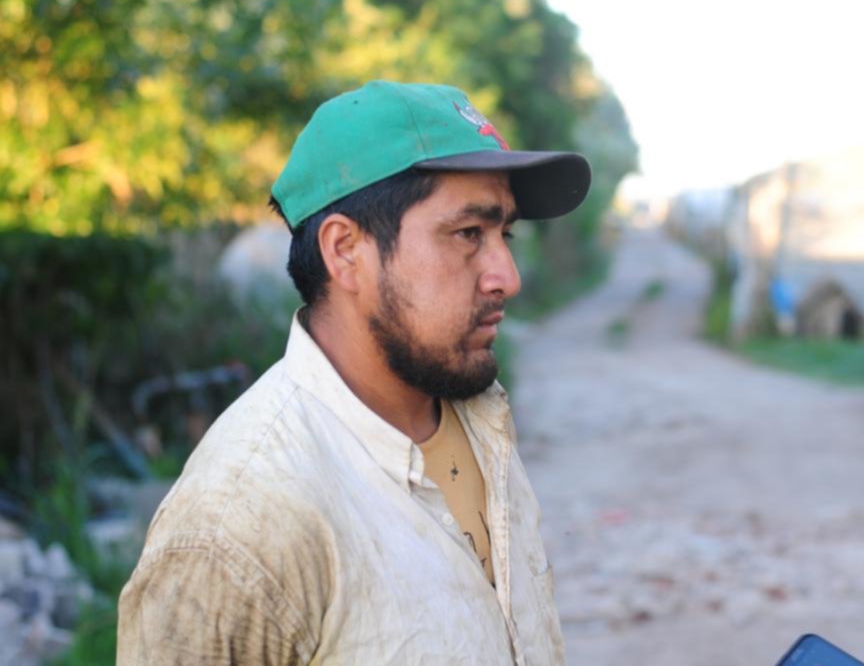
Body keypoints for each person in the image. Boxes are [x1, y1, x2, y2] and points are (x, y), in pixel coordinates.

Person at [116, 80, 591, 665]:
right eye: (469, 234)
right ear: (345, 251)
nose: (507, 276)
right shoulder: (238, 525)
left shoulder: (475, 413)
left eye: (504, 234)